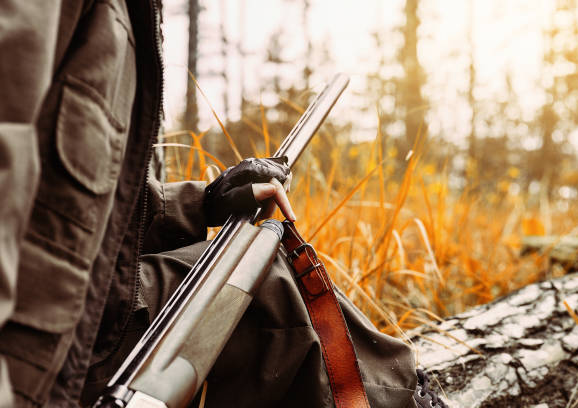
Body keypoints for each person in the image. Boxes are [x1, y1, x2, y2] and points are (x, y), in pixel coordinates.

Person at [0, 1, 446, 407]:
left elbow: (86, 210)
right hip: (41, 361)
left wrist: (205, 202)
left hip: (88, 316)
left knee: (255, 270)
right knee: (274, 295)